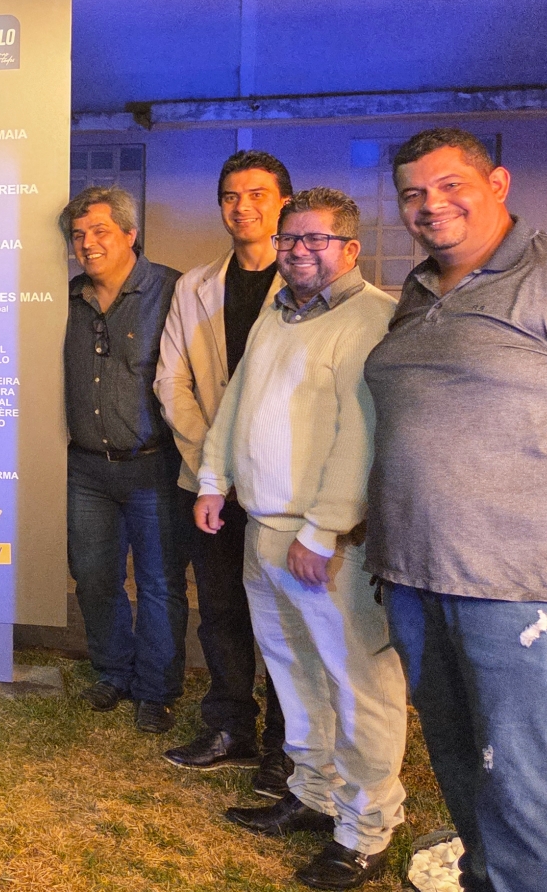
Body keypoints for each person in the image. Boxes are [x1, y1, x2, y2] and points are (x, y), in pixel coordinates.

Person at [364, 128, 547, 892]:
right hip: (420, 577)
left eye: (450, 185)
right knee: (465, 771)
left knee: (520, 789)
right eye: (413, 193)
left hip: (529, 588)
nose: (430, 205)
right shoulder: (420, 290)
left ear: (499, 183)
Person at [196, 188, 405, 891]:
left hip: (326, 544)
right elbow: (237, 400)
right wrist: (213, 478)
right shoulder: (278, 312)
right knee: (295, 674)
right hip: (264, 529)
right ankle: (314, 794)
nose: (298, 251)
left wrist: (323, 529)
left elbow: (363, 436)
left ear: (350, 248)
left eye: (316, 240)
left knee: (357, 684)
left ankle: (367, 830)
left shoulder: (371, 318)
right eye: (289, 240)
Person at [154, 150, 293, 791]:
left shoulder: (306, 284)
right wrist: (212, 465)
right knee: (219, 609)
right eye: (232, 196)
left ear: (283, 202)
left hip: (283, 482)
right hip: (209, 481)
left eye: (258, 194)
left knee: (286, 618)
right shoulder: (194, 286)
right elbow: (171, 381)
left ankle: (287, 745)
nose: (243, 207)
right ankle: (231, 725)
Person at [62, 185, 190, 734]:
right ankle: (113, 671)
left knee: (160, 584)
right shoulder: (66, 299)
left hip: (154, 466)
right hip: (87, 468)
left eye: (100, 231)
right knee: (94, 578)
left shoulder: (173, 291)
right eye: (78, 235)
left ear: (130, 234)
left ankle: (156, 690)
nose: (87, 244)